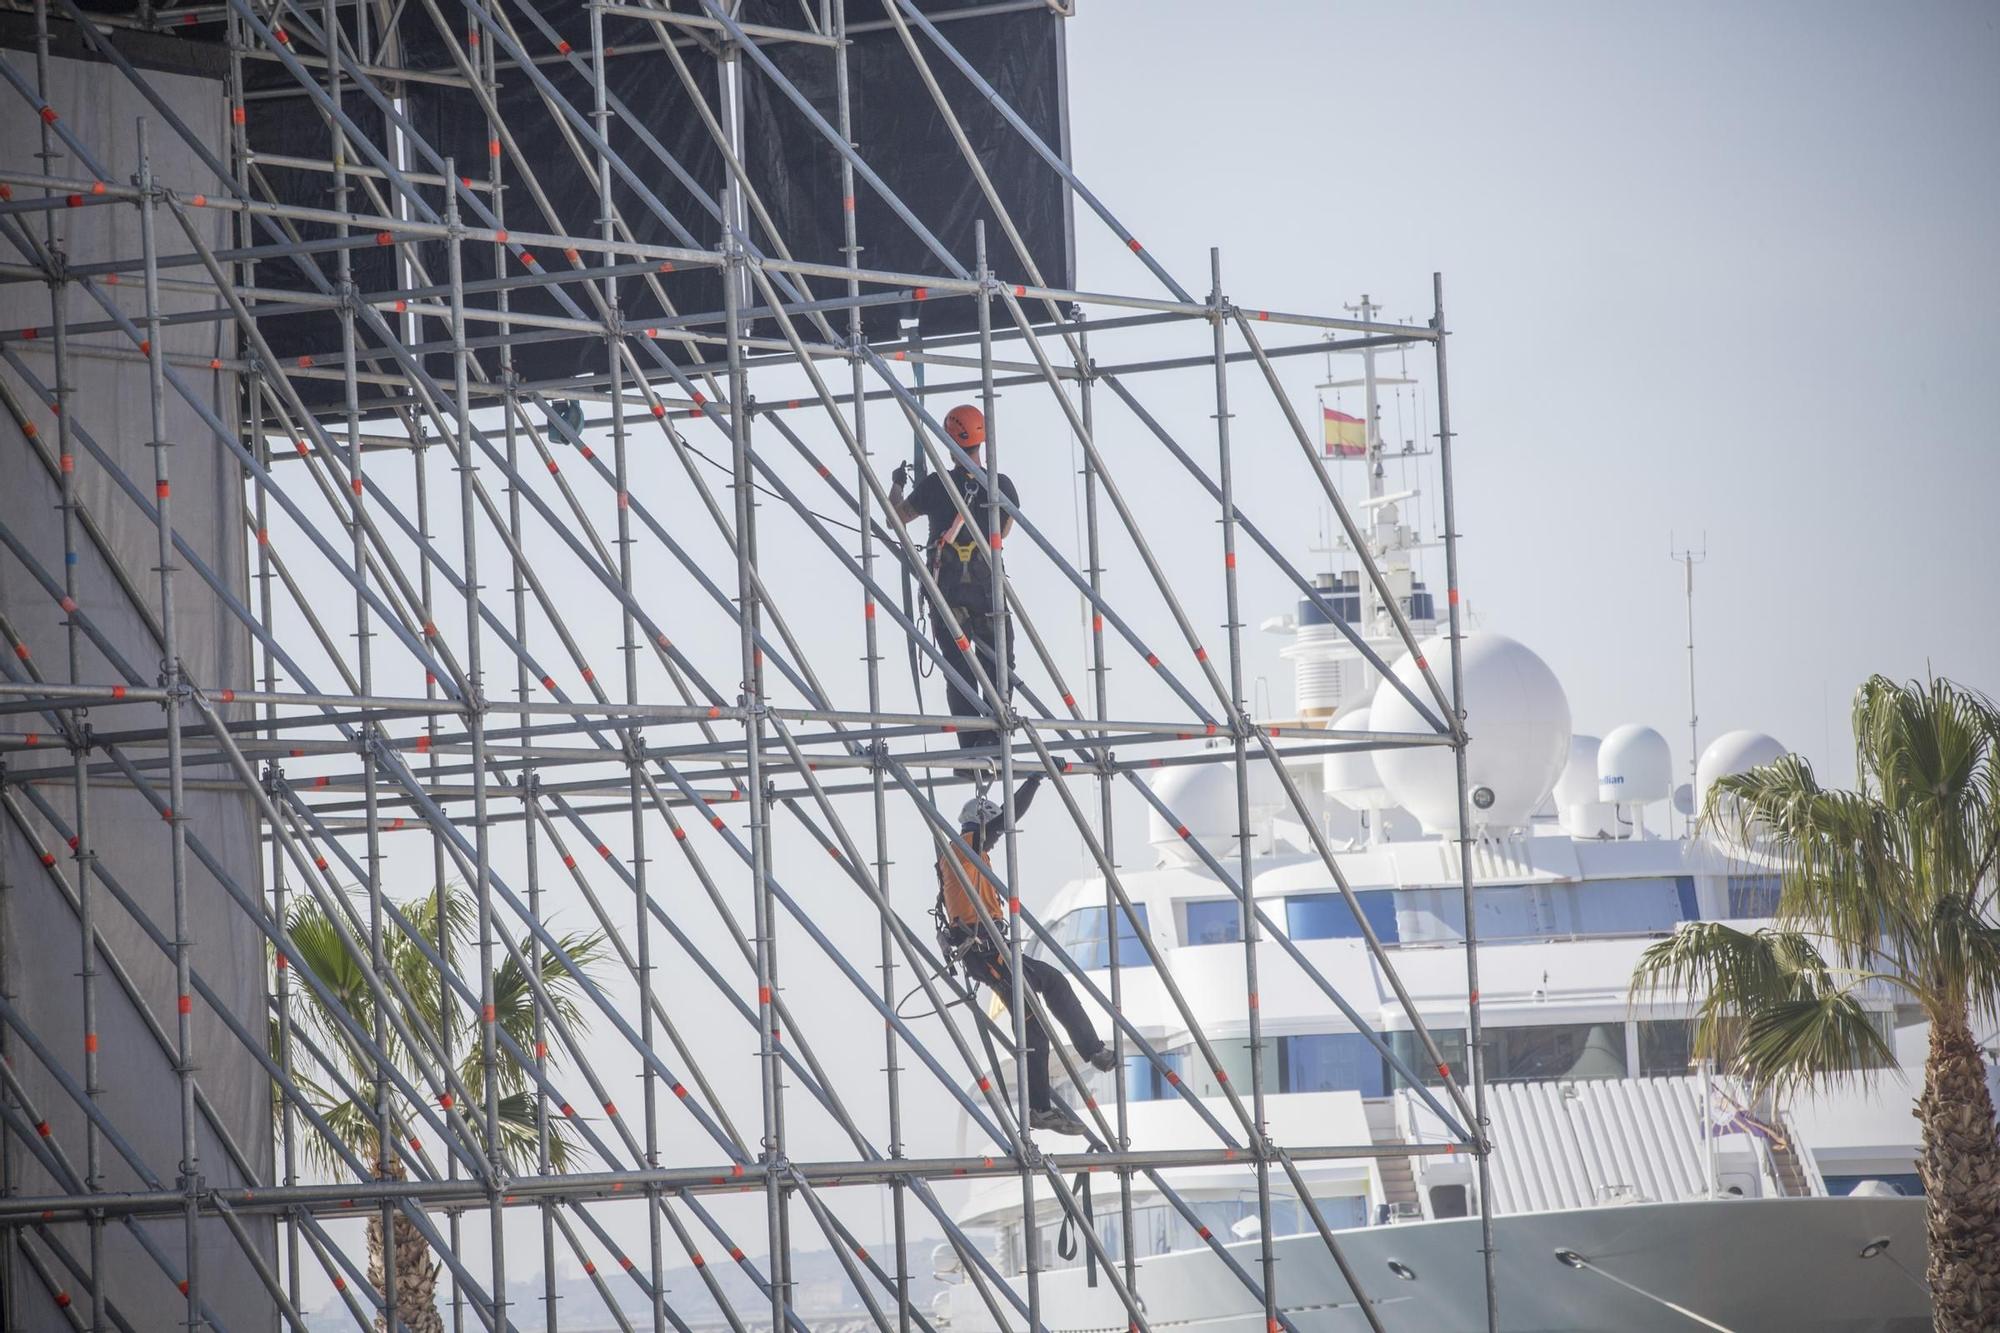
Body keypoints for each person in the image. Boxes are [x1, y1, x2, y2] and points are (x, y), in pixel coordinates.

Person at [934, 772, 1117, 1136]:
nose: (999, 838)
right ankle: (1037, 1108)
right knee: (1034, 1025)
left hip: (991, 949)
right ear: (981, 825)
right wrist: (1034, 781)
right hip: (987, 952)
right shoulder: (964, 848)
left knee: (1052, 983)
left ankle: (1090, 1049)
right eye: (994, 832)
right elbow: (1007, 817)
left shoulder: (973, 856)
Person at [889, 404, 1018, 749]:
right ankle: (996, 737)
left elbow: (895, 518)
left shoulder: (934, 486)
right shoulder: (999, 484)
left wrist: (897, 485)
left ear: (949, 441)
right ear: (982, 441)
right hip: (987, 591)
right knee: (997, 665)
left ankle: (971, 745)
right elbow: (1003, 532)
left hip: (946, 593)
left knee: (959, 670)